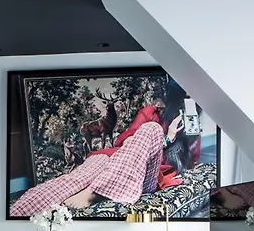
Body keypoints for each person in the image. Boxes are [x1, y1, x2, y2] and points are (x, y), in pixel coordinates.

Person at [10, 80, 199, 216]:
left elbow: (188, 164)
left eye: (191, 101)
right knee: (71, 181)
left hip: (143, 177)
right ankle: (16, 214)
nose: (186, 104)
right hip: (113, 159)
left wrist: (179, 138)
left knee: (152, 129)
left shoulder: (190, 129)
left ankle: (95, 193)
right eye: (183, 99)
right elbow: (123, 141)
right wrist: (166, 136)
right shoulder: (150, 113)